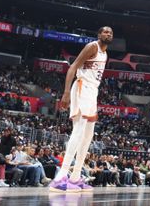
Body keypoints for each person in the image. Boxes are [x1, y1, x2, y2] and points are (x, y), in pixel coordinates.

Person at [50, 26, 113, 193]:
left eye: (110, 32)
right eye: (105, 32)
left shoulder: (105, 54)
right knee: (78, 131)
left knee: (88, 136)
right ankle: (60, 177)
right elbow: (73, 67)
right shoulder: (92, 47)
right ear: (99, 34)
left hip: (92, 92)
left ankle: (76, 176)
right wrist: (65, 92)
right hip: (82, 87)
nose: (108, 34)